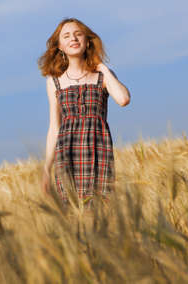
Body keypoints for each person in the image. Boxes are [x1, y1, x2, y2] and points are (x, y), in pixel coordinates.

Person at [38, 17, 130, 208]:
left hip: (98, 150)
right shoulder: (54, 81)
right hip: (67, 153)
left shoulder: (103, 76)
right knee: (72, 211)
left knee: (100, 209)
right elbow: (54, 127)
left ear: (87, 41)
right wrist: (46, 168)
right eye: (67, 36)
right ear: (60, 46)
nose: (73, 38)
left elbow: (123, 99)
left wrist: (102, 67)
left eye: (78, 34)